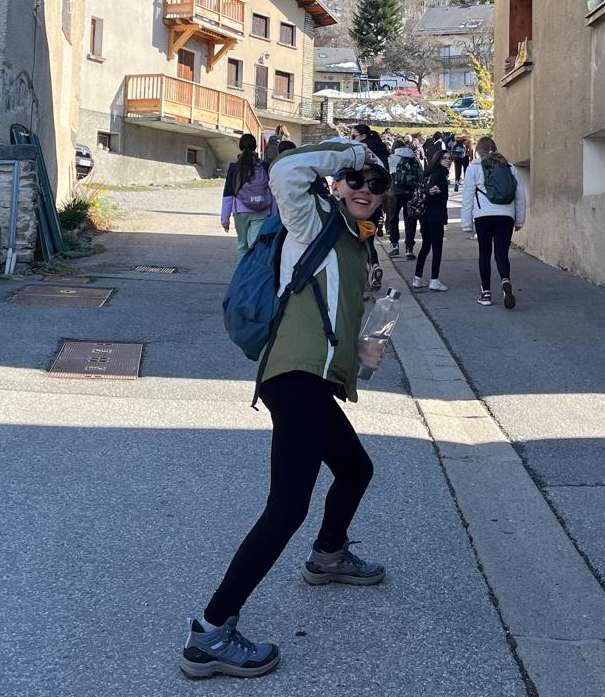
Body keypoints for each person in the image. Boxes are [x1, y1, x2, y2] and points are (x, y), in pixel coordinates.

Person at [184, 140, 392, 680]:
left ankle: (328, 555)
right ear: (336, 183)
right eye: (355, 179)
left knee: (356, 469)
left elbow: (332, 319)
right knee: (286, 507)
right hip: (293, 378)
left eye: (376, 183)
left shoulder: (358, 242)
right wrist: (353, 152)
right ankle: (210, 632)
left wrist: (360, 351)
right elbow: (286, 170)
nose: (365, 189)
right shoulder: (311, 219)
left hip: (312, 381)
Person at [460, 136, 526, 308]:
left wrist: (466, 224)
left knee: (484, 253)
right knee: (502, 254)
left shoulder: (474, 168)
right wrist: (519, 219)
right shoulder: (509, 167)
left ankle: (486, 293)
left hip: (483, 216)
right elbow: (520, 195)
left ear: (478, 151)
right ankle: (505, 280)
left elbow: (467, 197)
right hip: (506, 216)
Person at [220, 134, 273, 257]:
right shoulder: (264, 165)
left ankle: (243, 269)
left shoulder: (234, 167)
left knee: (243, 247)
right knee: (256, 246)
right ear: (255, 146)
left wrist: (225, 219)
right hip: (262, 210)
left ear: (240, 146)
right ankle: (254, 268)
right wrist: (274, 213)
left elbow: (228, 194)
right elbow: (271, 191)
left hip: (241, 212)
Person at [410, 146, 450, 292]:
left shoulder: (430, 171)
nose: (448, 161)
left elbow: (426, 189)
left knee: (426, 246)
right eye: (445, 158)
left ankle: (417, 278)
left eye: (450, 159)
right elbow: (431, 189)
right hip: (436, 216)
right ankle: (434, 280)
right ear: (438, 159)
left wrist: (430, 191)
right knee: (437, 248)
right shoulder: (439, 173)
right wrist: (433, 191)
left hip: (425, 215)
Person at [386, 137, 423, 258]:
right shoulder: (414, 157)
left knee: (393, 219)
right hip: (411, 192)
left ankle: (394, 245)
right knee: (410, 220)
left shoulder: (391, 158)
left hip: (394, 192)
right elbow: (421, 174)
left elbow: (386, 176)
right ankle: (409, 248)